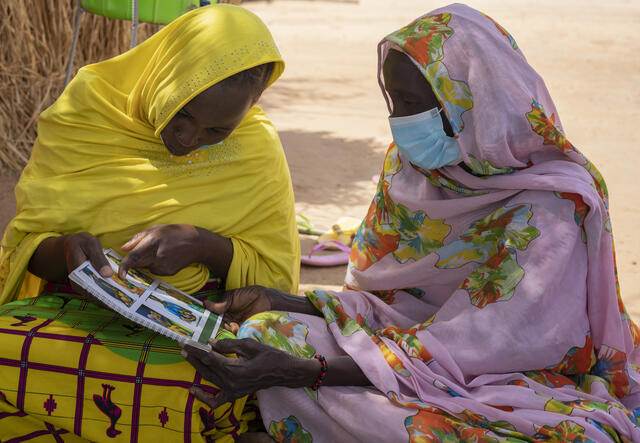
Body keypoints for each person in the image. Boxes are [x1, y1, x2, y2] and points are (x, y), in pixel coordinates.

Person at [182, 4, 640, 441]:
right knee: (265, 331)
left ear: (473, 101)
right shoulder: (412, 171)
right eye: (392, 98)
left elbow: (489, 347)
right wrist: (279, 301)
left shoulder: (553, 206)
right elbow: (383, 303)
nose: (398, 121)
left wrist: (305, 372)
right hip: (396, 354)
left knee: (429, 430)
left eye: (411, 103)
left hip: (507, 378)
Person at [0, 4, 299, 441]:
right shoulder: (90, 113)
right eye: (181, 113)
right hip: (70, 308)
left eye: (216, 132)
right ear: (162, 77)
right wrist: (65, 252)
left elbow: (274, 276)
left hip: (196, 318)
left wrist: (204, 246)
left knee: (203, 385)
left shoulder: (255, 148)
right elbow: (27, 245)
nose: (188, 139)